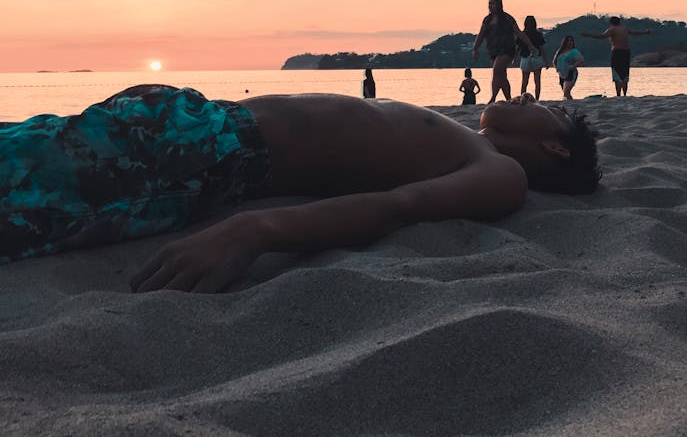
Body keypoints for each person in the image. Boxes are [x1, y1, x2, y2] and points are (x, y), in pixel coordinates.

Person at [0, 84, 601, 292]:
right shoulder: (463, 139)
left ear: (556, 147)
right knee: (32, 144)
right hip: (197, 122)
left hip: (210, 155)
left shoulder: (502, 172)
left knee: (31, 182)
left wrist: (257, 228)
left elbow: (397, 207)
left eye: (546, 109)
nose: (528, 95)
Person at [472, 0, 539, 104]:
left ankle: (493, 98)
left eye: (493, 3)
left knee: (496, 70)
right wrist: (475, 48)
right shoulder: (487, 20)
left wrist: (530, 45)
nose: (490, 6)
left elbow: (519, 33)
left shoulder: (507, 18)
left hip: (507, 49)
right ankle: (508, 99)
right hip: (494, 50)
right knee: (501, 75)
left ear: (499, 4)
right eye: (489, 3)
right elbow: (481, 35)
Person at [582, 16, 652, 97]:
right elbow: (635, 33)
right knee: (625, 74)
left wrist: (588, 35)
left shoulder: (612, 29)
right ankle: (625, 95)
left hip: (617, 52)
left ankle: (618, 95)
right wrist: (645, 32)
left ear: (611, 23)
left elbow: (601, 36)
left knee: (617, 74)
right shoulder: (625, 29)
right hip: (626, 52)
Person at [516, 15, 549, 101]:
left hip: (525, 58)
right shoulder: (538, 34)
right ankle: (537, 99)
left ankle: (522, 99)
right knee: (537, 81)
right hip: (536, 58)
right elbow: (542, 49)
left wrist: (514, 59)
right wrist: (546, 61)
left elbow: (517, 48)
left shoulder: (522, 34)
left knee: (524, 81)